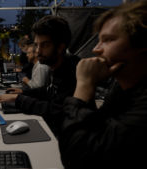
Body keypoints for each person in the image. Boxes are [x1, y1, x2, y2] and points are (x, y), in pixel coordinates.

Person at [58, 1, 147, 168]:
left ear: (142, 44)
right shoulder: (122, 89)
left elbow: (77, 158)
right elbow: (96, 130)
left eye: (108, 40)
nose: (96, 49)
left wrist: (84, 84)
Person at [0, 15, 79, 135]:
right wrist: (23, 92)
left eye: (44, 45)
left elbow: (57, 110)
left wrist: (19, 100)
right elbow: (49, 91)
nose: (38, 51)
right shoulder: (58, 66)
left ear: (60, 47)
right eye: (37, 45)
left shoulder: (73, 71)